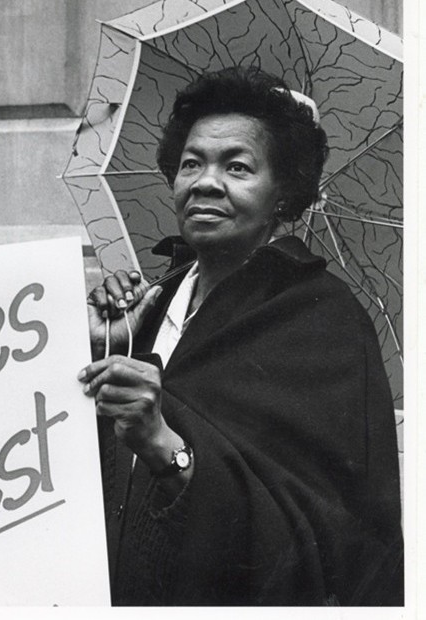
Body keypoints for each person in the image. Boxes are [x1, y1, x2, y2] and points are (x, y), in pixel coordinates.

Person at [78, 67, 403, 605]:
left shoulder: (322, 319)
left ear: (284, 193)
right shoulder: (149, 305)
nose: (205, 182)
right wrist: (102, 347)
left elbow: (327, 541)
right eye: (191, 163)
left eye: (237, 166)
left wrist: (166, 447)